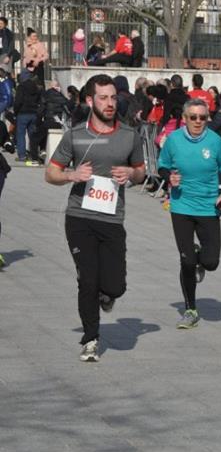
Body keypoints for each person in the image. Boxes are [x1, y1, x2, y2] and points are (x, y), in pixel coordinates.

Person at [44, 74, 146, 362]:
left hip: (112, 219)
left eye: (113, 97)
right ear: (90, 101)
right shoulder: (75, 135)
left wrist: (131, 173)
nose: (110, 103)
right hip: (79, 218)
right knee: (88, 280)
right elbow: (50, 173)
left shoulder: (129, 136)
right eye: (103, 98)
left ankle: (107, 295)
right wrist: (71, 175)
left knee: (116, 286)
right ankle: (90, 339)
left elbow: (141, 172)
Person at [157, 99, 221, 329]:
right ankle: (190, 309)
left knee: (211, 263)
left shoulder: (215, 141)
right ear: (184, 118)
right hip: (181, 206)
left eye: (203, 117)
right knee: (187, 261)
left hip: (208, 207)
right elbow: (162, 166)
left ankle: (200, 256)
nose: (198, 121)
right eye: (193, 117)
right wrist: (169, 177)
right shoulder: (173, 140)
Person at [13, 71, 42, 164]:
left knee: (20, 134)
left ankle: (22, 155)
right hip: (34, 113)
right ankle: (34, 155)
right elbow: (39, 100)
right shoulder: (36, 87)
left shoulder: (21, 87)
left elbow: (18, 101)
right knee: (32, 135)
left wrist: (15, 112)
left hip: (23, 113)